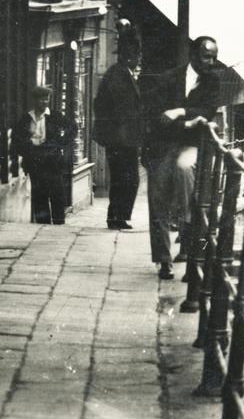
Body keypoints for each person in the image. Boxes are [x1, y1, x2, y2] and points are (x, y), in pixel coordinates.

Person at [142, 36, 229, 280]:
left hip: (191, 145)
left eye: (214, 57)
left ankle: (187, 226)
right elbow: (158, 117)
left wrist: (180, 112)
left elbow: (208, 110)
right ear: (193, 55)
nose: (211, 62)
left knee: (185, 175)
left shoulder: (213, 81)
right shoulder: (169, 79)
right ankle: (163, 260)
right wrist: (189, 122)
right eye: (206, 57)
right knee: (157, 202)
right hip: (162, 145)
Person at [93, 23, 144, 231]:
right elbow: (118, 109)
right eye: (135, 55)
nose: (138, 58)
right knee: (127, 179)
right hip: (120, 138)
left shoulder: (121, 73)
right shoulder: (118, 75)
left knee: (125, 179)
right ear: (128, 55)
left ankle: (118, 216)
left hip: (122, 138)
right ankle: (117, 217)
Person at [13, 86, 75, 225]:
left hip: (53, 160)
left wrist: (60, 143)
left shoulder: (55, 116)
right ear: (35, 100)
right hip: (35, 161)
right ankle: (43, 225)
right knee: (39, 195)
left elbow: (72, 128)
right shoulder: (26, 118)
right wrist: (27, 149)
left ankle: (59, 224)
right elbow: (17, 139)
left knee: (57, 194)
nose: (44, 102)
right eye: (41, 99)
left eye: (46, 99)